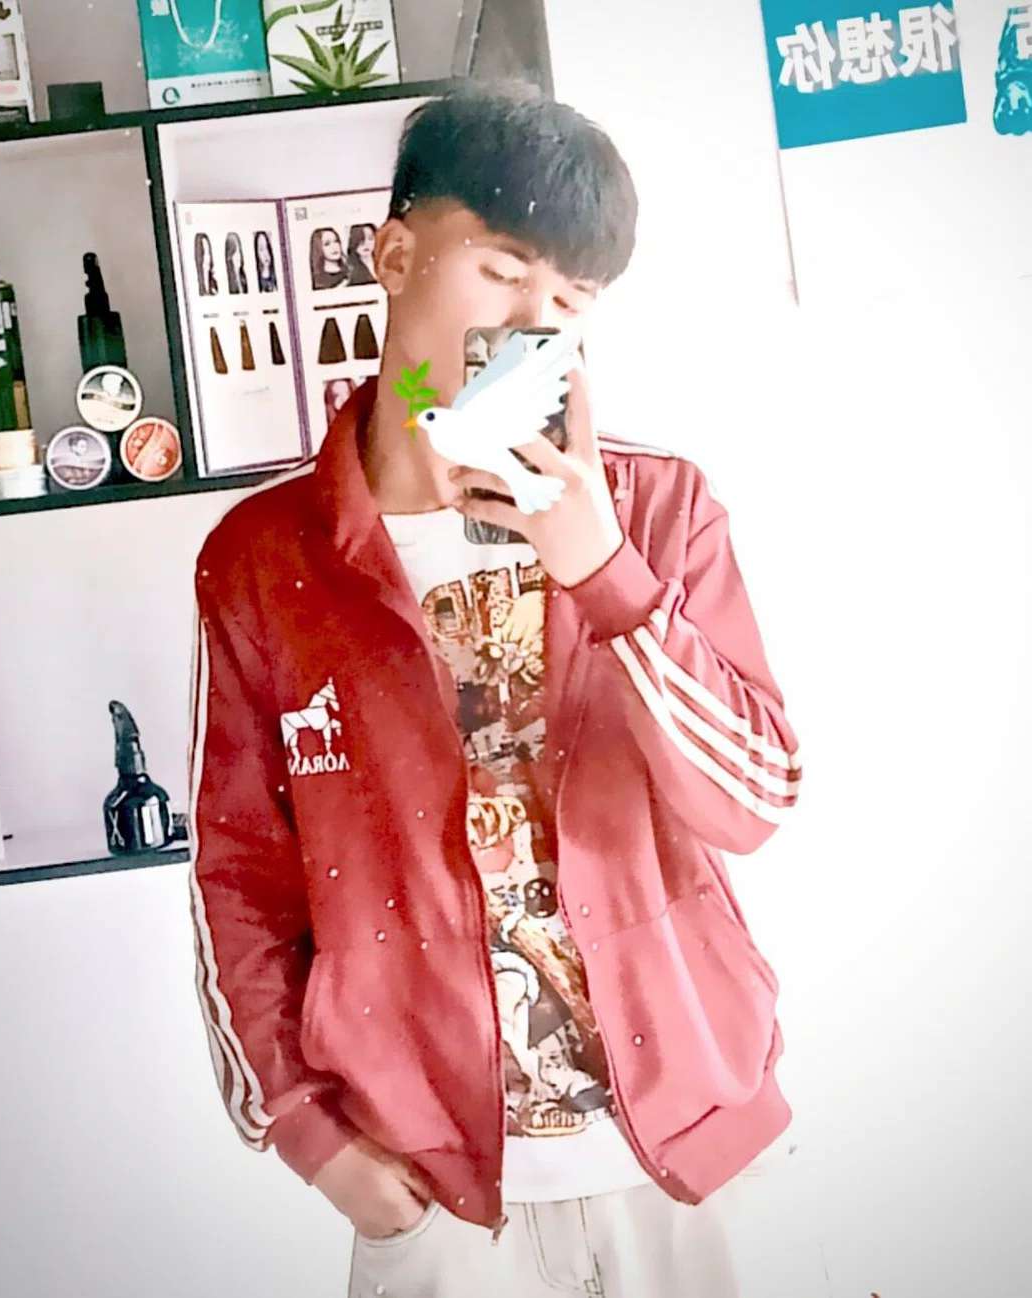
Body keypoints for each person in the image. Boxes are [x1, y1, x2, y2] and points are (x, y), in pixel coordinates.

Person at [188, 80, 803, 1298]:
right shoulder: (264, 560)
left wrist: (603, 570)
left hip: (684, 1150)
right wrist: (308, 1134)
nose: (530, 323)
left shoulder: (656, 508)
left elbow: (755, 797)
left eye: (569, 302)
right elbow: (237, 875)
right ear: (393, 255)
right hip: (435, 1188)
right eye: (502, 270)